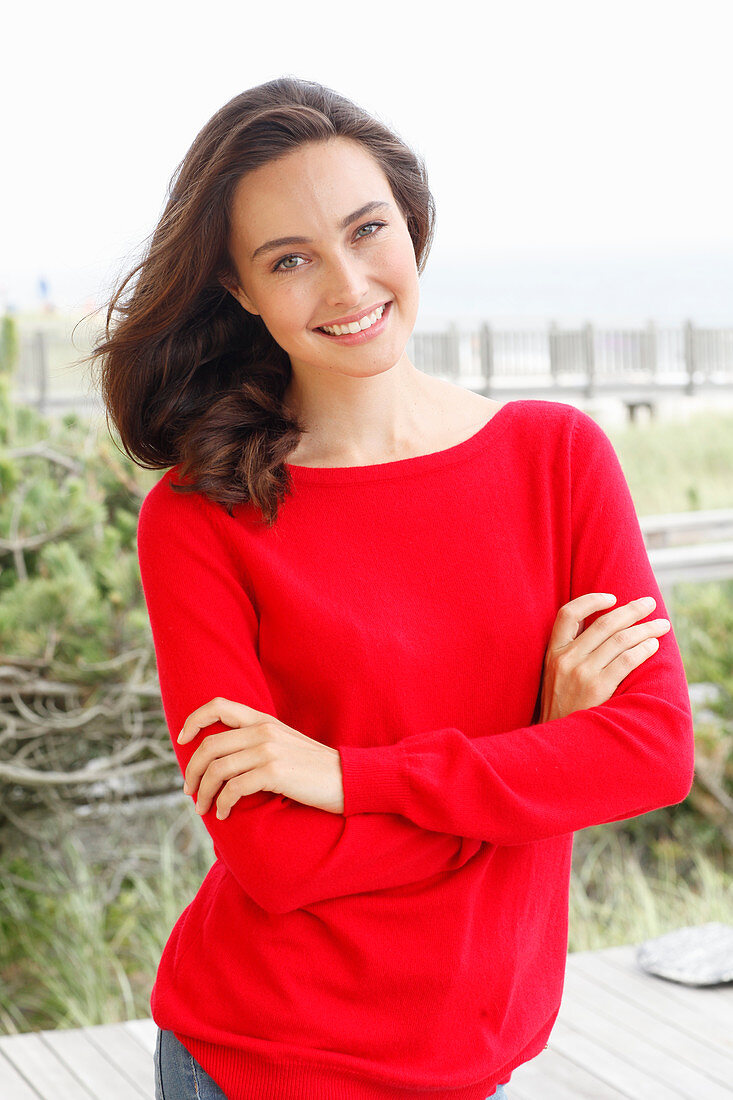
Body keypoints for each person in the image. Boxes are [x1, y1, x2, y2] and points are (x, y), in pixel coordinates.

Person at [90, 76, 695, 1100]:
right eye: (290, 259)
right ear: (239, 290)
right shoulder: (201, 517)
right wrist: (540, 758)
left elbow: (649, 752)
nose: (346, 283)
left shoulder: (556, 459)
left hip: (478, 1053)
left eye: (367, 230)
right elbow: (274, 855)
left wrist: (348, 778)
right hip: (268, 1059)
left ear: (410, 227)